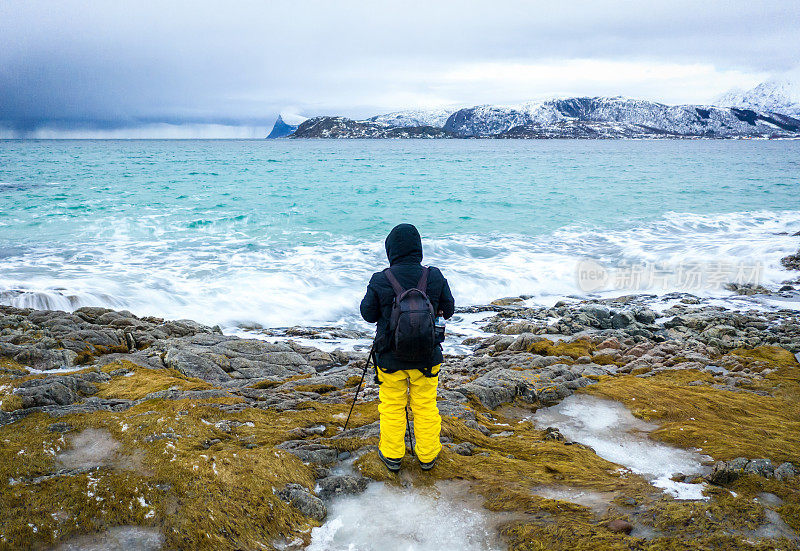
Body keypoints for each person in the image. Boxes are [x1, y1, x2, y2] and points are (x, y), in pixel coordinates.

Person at [360, 223, 455, 472]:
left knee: (392, 406)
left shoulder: (381, 279)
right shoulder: (433, 276)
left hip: (390, 360)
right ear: (418, 248)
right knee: (425, 406)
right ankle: (427, 456)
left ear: (391, 249)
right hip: (427, 358)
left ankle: (392, 455)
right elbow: (450, 310)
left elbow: (368, 315)